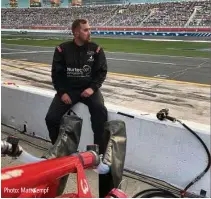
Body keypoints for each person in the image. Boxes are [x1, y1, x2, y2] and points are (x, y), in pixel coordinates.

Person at [45, 18, 108, 155]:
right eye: (85, 30)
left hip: (89, 89)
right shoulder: (62, 49)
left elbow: (102, 72)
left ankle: (98, 153)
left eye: (89, 29)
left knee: (100, 112)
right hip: (69, 90)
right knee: (51, 118)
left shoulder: (96, 49)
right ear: (75, 32)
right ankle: (60, 149)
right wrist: (62, 93)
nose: (89, 32)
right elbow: (57, 74)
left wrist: (92, 88)